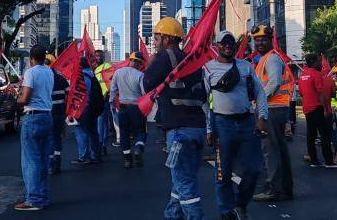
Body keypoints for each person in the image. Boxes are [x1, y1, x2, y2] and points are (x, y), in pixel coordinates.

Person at [142, 18, 207, 220]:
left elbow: (147, 85)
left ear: (168, 38)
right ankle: (172, 215)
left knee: (186, 186)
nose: (154, 41)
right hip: (197, 129)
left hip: (179, 131)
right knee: (181, 181)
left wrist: (151, 64)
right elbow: (203, 95)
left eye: (157, 37)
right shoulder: (191, 59)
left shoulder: (165, 56)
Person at [204, 30, 268, 220]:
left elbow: (260, 93)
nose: (227, 45)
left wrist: (262, 117)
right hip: (221, 124)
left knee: (253, 169)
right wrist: (209, 128)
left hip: (247, 123)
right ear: (216, 46)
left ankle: (240, 205)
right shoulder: (207, 69)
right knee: (223, 173)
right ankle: (226, 212)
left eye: (231, 42)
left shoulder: (246, 67)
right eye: (223, 42)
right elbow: (204, 102)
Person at [250, 25, 294, 202]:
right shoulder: (264, 59)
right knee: (278, 150)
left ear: (270, 40)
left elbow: (274, 83)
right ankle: (284, 189)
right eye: (257, 40)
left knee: (271, 151)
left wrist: (259, 100)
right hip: (273, 108)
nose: (259, 43)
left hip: (273, 109)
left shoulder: (272, 59)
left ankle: (274, 189)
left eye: (263, 40)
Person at [15, 45, 55, 211]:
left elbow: (25, 99)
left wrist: (16, 96)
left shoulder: (31, 72)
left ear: (31, 58)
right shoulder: (49, 72)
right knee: (43, 160)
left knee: (31, 160)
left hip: (33, 117)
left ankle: (33, 199)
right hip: (47, 115)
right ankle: (42, 196)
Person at [297, 53, 337, 168]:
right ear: (313, 62)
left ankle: (314, 161)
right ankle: (329, 161)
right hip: (317, 107)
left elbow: (301, 93)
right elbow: (320, 93)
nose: (320, 63)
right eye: (318, 61)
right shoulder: (316, 74)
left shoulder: (302, 75)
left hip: (307, 109)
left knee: (311, 135)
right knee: (325, 135)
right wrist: (325, 108)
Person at [109, 51, 148, 169]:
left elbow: (113, 89)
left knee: (124, 133)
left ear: (130, 60)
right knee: (140, 130)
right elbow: (144, 93)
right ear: (140, 64)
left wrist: (111, 101)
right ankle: (138, 148)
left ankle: (127, 159)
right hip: (136, 107)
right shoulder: (140, 75)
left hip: (123, 106)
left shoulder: (118, 72)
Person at [72, 56, 103, 164]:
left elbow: (80, 95)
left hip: (83, 109)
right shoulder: (92, 75)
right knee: (93, 132)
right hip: (93, 108)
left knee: (80, 131)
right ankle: (96, 155)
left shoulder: (81, 77)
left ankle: (83, 156)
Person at [46, 54, 70, 174]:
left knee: (49, 138)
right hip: (60, 112)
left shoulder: (43, 78)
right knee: (57, 137)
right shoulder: (61, 79)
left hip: (47, 113)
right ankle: (57, 161)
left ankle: (51, 164)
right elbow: (69, 94)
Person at [94, 50, 115, 153]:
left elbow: (110, 81)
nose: (98, 58)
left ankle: (102, 144)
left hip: (104, 97)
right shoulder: (94, 68)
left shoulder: (107, 66)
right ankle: (102, 144)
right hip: (96, 98)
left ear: (103, 57)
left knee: (101, 122)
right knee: (102, 122)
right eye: (96, 56)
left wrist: (107, 93)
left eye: (100, 56)